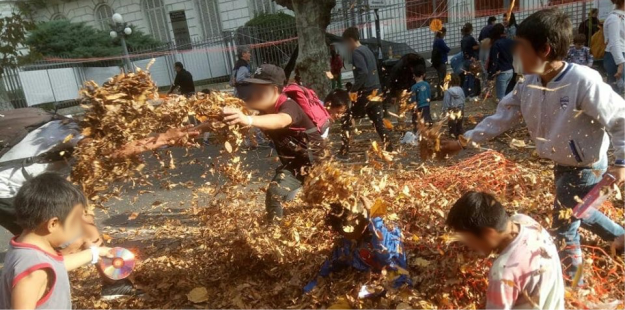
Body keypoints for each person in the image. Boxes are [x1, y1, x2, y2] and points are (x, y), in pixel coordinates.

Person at [443, 8, 625, 284]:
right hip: (563, 163)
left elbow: (620, 117)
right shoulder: (528, 83)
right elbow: (501, 117)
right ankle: (619, 237)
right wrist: (462, 141)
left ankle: (576, 286)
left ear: (545, 50)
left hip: (585, 165)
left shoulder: (583, 82)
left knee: (564, 227)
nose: (516, 55)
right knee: (581, 211)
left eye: (521, 49)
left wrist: (622, 162)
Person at [0, 107, 198, 298]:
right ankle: (40, 289)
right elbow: (113, 152)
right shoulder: (75, 137)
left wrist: (201, 128)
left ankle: (114, 284)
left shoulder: (67, 122)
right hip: (7, 193)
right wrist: (164, 138)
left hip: (31, 184)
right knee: (63, 239)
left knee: (84, 224)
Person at [221, 64, 326, 222]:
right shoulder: (262, 106)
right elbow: (232, 117)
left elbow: (281, 120)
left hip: (316, 162)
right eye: (253, 87)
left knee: (327, 203)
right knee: (275, 191)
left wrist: (248, 120)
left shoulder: (289, 106)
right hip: (295, 165)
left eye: (260, 88)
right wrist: (195, 130)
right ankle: (273, 232)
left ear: (275, 90)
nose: (254, 92)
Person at [0, 173, 116, 310]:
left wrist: (95, 253)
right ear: (53, 224)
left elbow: (56, 265)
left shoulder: (25, 247)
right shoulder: (34, 271)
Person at [446, 191, 565, 309]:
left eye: (469, 240)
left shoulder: (503, 271)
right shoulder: (527, 222)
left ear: (489, 234)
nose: (469, 246)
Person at [304, 199, 410, 293]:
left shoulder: (381, 240)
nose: (346, 232)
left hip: (390, 267)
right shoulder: (346, 246)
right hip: (370, 264)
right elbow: (332, 262)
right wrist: (316, 282)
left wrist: (382, 289)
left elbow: (400, 269)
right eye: (342, 229)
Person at [341, 27, 392, 156]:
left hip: (366, 94)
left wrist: (353, 89)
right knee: (378, 121)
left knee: (347, 118)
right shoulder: (367, 50)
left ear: (351, 40)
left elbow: (363, 72)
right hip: (376, 91)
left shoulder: (357, 53)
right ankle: (389, 145)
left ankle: (344, 149)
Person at [488, 24, 515, 100]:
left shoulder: (496, 44)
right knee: (507, 95)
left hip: (502, 72)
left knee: (501, 98)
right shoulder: (510, 41)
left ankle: (503, 111)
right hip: (510, 70)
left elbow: (494, 61)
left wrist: (491, 75)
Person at [603, 0, 625, 91]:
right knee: (615, 92)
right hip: (616, 57)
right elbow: (614, 42)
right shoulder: (614, 18)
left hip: (619, 55)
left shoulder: (619, 16)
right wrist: (620, 64)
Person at [442, 74, 465, 138]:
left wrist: (444, 111)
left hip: (452, 111)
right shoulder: (461, 89)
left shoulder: (448, 91)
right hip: (460, 110)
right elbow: (463, 99)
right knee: (459, 126)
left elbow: (446, 102)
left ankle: (453, 142)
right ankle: (461, 140)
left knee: (452, 127)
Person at [461, 23, 480, 98]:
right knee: (472, 77)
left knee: (467, 78)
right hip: (471, 59)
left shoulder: (463, 39)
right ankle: (471, 94)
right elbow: (475, 47)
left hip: (465, 60)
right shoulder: (470, 38)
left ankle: (465, 94)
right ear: (470, 29)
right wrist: (480, 45)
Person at [432, 28, 451, 100]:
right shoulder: (440, 40)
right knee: (442, 79)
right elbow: (446, 49)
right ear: (442, 33)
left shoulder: (435, 40)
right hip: (441, 61)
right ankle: (442, 94)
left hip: (437, 62)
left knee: (440, 78)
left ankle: (440, 94)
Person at [479, 17, 498, 88]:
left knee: (483, 63)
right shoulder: (493, 28)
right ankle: (488, 87)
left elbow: (479, 39)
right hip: (489, 46)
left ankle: (484, 87)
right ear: (493, 21)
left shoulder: (484, 28)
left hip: (482, 45)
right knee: (487, 63)